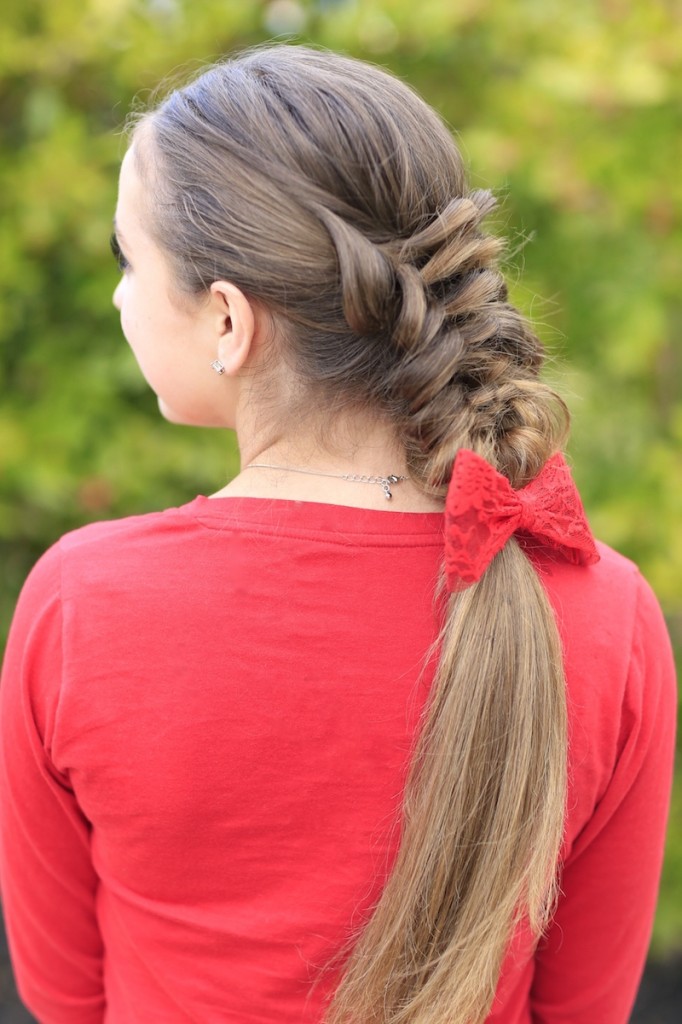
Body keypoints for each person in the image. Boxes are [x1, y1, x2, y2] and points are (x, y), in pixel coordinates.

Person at [0, 44, 676, 1024]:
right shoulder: (600, 605)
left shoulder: (82, 602)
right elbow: (584, 1007)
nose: (116, 294)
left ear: (226, 319)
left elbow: (67, 1000)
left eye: (127, 258)